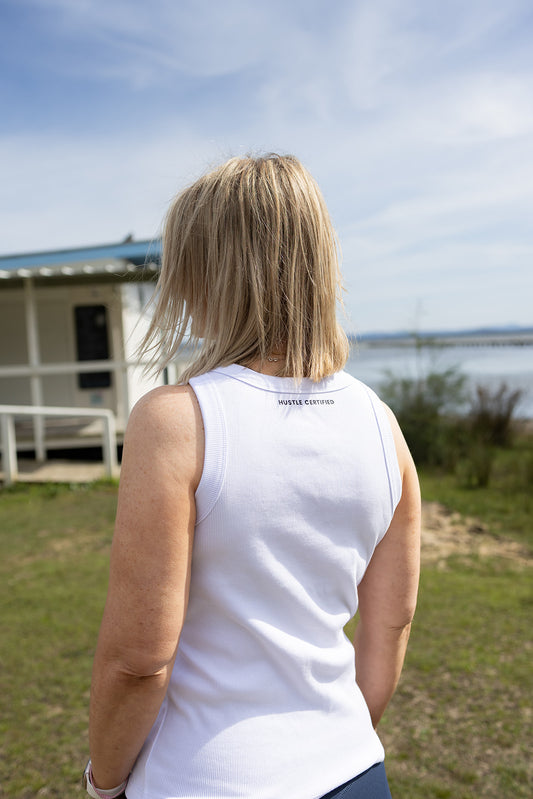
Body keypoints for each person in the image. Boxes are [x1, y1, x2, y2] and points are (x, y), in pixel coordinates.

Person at [84, 154, 421, 799]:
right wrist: (334, 742)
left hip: (209, 778)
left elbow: (138, 659)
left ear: (207, 273)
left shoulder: (177, 420)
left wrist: (102, 781)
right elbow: (391, 624)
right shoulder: (383, 426)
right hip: (352, 771)